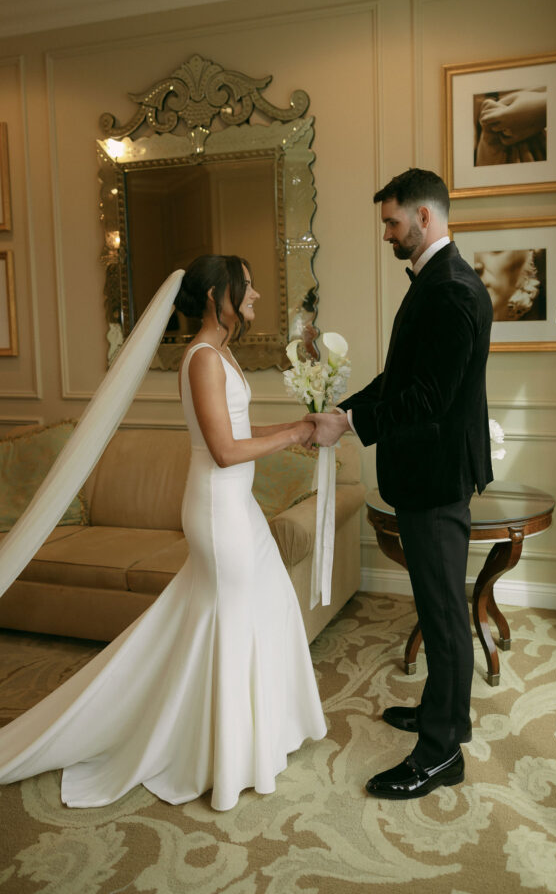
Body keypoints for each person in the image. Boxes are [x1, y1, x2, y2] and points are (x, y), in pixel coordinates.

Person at [0, 254, 326, 810]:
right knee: (228, 621)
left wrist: (303, 432)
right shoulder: (202, 359)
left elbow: (240, 430)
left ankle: (255, 739)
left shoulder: (221, 355)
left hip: (236, 505)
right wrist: (296, 428)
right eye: (245, 287)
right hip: (217, 510)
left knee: (256, 611)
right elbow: (223, 451)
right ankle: (221, 758)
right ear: (213, 296)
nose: (255, 296)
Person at [306, 168, 493, 800]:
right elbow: (399, 376)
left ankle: (441, 754)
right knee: (438, 608)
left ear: (424, 217)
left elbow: (429, 399)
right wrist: (345, 412)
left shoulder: (452, 292)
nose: (386, 233)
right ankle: (448, 713)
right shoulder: (436, 282)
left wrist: (354, 424)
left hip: (437, 481)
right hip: (428, 476)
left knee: (443, 616)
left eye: (392, 222)